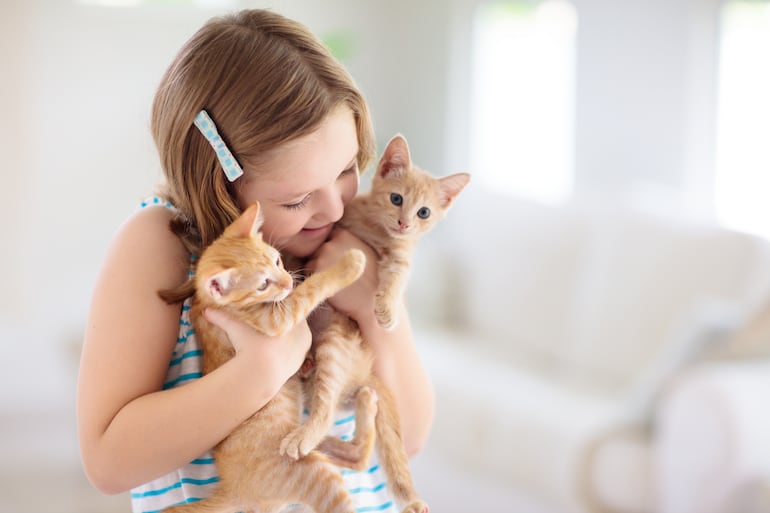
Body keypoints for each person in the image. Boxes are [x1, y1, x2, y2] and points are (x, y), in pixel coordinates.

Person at [76, 9, 434, 512]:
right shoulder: (160, 243)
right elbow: (108, 462)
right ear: (218, 184)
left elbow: (410, 436)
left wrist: (376, 307)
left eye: (347, 169)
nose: (334, 208)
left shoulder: (353, 241)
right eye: (297, 199)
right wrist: (260, 372)